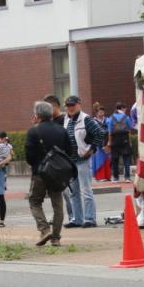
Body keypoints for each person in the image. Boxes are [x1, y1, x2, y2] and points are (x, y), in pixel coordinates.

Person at [25, 100, 69, 246]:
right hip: (57, 173)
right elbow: (70, 151)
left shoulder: (33, 131)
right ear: (51, 113)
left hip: (39, 172)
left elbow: (29, 155)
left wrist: (37, 164)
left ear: (37, 115)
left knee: (35, 201)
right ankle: (56, 237)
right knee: (58, 204)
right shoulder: (61, 130)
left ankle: (44, 229)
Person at [62, 95, 105, 228]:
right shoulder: (66, 119)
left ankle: (90, 218)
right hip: (70, 161)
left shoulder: (86, 119)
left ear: (79, 105)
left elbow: (101, 134)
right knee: (73, 191)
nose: (70, 108)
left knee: (85, 190)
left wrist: (91, 149)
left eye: (73, 105)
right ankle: (77, 219)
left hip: (82, 160)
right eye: (68, 106)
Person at [106, 102, 135, 181]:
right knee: (126, 159)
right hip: (125, 140)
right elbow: (130, 128)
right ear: (122, 108)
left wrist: (109, 142)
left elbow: (109, 132)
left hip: (115, 141)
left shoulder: (111, 118)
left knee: (115, 160)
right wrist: (130, 142)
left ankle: (115, 177)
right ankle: (127, 177)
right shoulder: (126, 117)